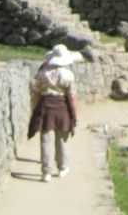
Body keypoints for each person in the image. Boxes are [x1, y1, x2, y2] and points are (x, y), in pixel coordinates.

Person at [28, 44, 82, 183]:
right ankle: (63, 167)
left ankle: (47, 172)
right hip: (62, 107)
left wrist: (34, 109)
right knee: (62, 138)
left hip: (45, 106)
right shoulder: (68, 75)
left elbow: (37, 94)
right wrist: (75, 114)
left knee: (46, 139)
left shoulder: (43, 73)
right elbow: (72, 96)